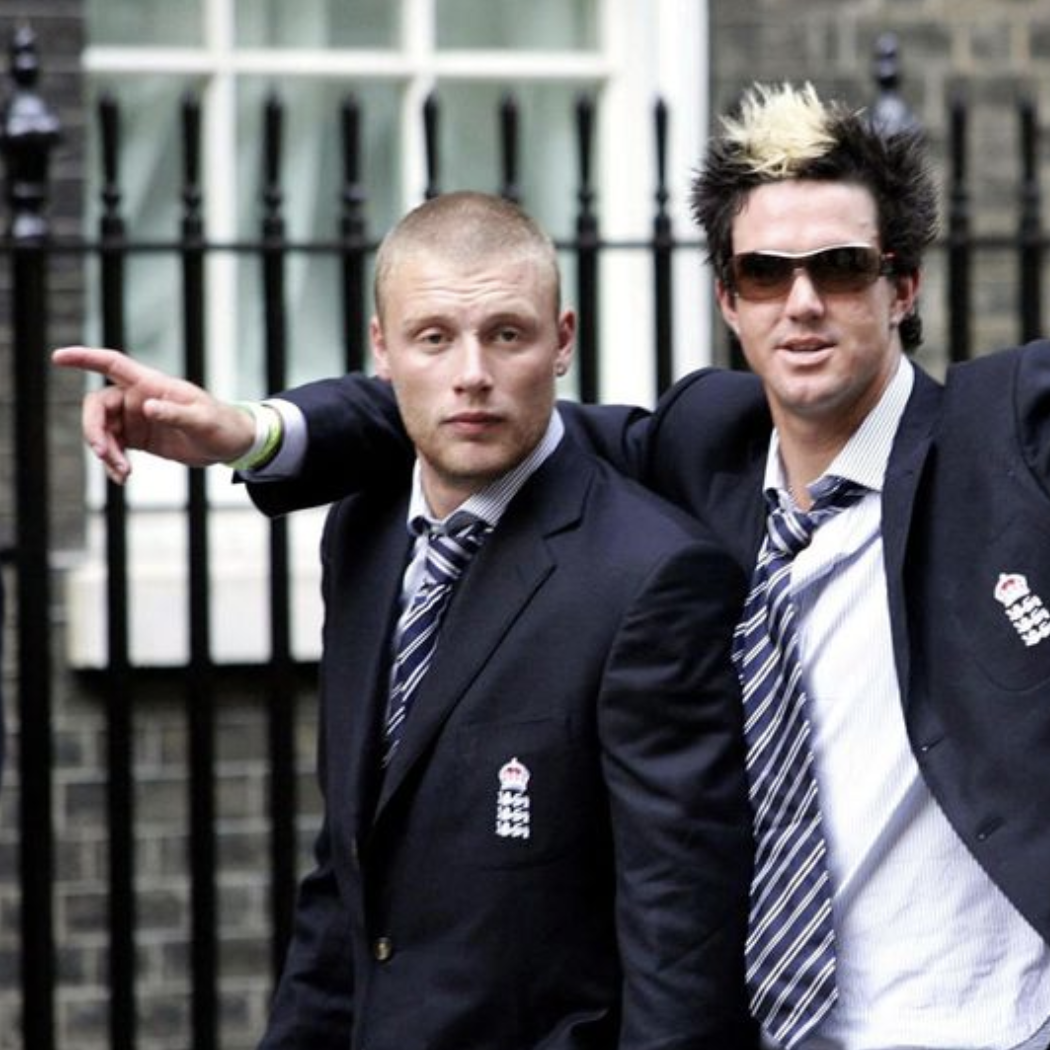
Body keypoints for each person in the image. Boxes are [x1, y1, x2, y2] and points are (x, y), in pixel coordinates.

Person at [60, 84, 1050, 1050]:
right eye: (768, 274)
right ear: (728, 299)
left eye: (843, 269)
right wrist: (252, 431)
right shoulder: (698, 453)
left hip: (1006, 1026)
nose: (806, 304)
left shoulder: (1013, 436)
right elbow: (485, 416)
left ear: (901, 286)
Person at [60, 191, 759, 1049]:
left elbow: (680, 934)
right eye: (434, 337)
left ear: (564, 341)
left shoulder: (653, 575)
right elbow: (349, 872)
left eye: (508, 334)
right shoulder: (364, 528)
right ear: (381, 350)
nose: (473, 373)